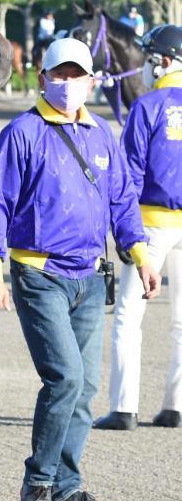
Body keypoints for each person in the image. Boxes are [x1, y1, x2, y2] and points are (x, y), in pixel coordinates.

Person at [0, 38, 160, 501]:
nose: (68, 84)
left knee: (86, 387)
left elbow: (121, 198)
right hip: (39, 274)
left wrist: (140, 254)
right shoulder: (22, 132)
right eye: (60, 74)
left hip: (90, 277)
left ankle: (66, 486)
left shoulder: (101, 133)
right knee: (65, 378)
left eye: (77, 76)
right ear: (42, 78)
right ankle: (37, 482)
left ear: (92, 81)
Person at [95, 24, 182, 431]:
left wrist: (120, 228)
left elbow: (126, 173)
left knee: (129, 317)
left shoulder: (147, 107)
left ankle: (124, 407)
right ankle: (174, 406)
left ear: (160, 60)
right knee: (181, 321)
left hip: (150, 223)